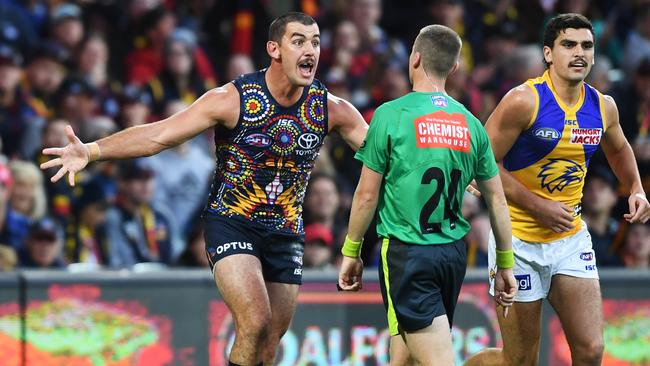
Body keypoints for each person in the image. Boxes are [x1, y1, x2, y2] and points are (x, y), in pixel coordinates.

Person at [40, 12, 368, 366]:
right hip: (231, 222)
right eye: (299, 41)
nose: (311, 51)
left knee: (271, 337)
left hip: (286, 231)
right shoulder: (233, 98)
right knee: (255, 322)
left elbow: (381, 157)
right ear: (274, 49)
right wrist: (91, 150)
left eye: (316, 42)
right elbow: (158, 135)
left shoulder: (332, 109)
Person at [466, 14, 650, 366]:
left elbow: (619, 148)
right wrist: (538, 206)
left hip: (569, 240)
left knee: (592, 349)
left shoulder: (602, 106)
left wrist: (636, 189)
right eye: (569, 45)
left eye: (586, 46)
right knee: (519, 360)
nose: (579, 53)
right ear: (548, 53)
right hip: (516, 241)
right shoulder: (524, 100)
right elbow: (480, 162)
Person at [337, 25, 516, 366]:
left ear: (414, 59)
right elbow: (496, 200)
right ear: (453, 69)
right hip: (452, 255)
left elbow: (365, 195)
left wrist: (351, 251)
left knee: (436, 360)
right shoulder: (470, 123)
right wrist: (505, 262)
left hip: (409, 255)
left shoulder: (390, 115)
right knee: (405, 357)